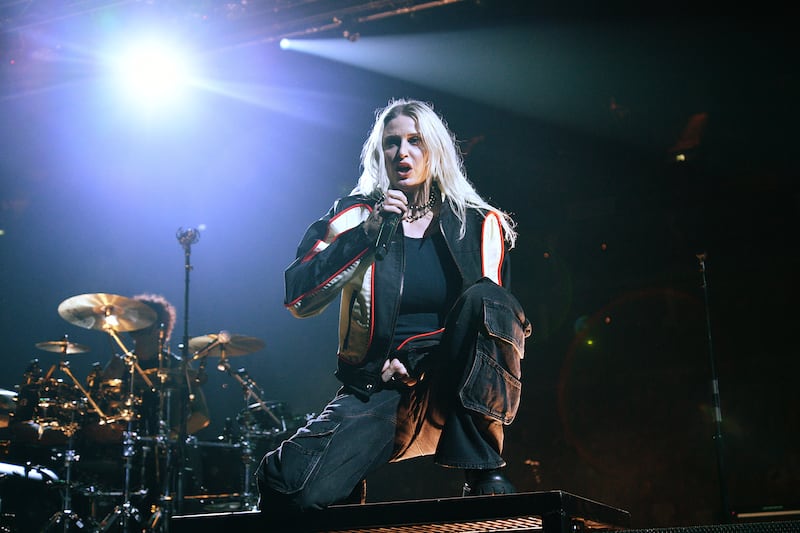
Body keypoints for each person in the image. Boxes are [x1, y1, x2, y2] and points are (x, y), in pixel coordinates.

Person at [256, 98, 531, 513]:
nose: (403, 153)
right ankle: (343, 487)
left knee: (488, 298)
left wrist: (416, 357)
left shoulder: (478, 223)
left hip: (452, 387)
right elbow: (299, 296)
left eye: (415, 141)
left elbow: (493, 323)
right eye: (392, 142)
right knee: (289, 487)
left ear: (434, 149)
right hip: (380, 388)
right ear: (379, 153)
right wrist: (366, 233)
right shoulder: (355, 217)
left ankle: (482, 468)